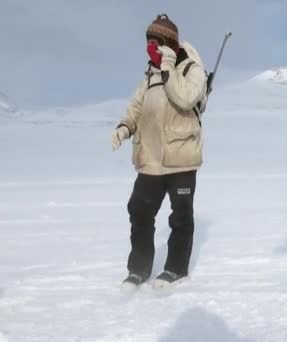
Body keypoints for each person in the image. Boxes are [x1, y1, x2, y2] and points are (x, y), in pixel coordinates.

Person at [111, 14, 207, 291]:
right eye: (148, 42)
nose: (150, 48)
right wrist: (124, 127)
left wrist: (168, 70)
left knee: (180, 217)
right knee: (139, 211)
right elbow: (136, 108)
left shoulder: (192, 69)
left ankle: (175, 269)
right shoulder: (149, 76)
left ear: (168, 43)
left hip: (181, 159)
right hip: (150, 160)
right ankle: (138, 270)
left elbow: (186, 98)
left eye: (155, 42)